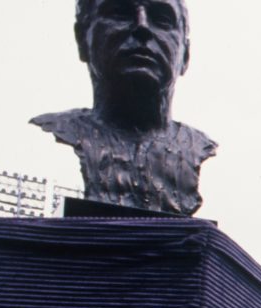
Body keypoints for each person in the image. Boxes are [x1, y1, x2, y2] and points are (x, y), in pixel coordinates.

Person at [32, 0, 216, 215]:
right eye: (119, 13)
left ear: (186, 55)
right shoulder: (54, 132)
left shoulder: (198, 146)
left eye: (162, 19)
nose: (142, 26)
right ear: (82, 40)